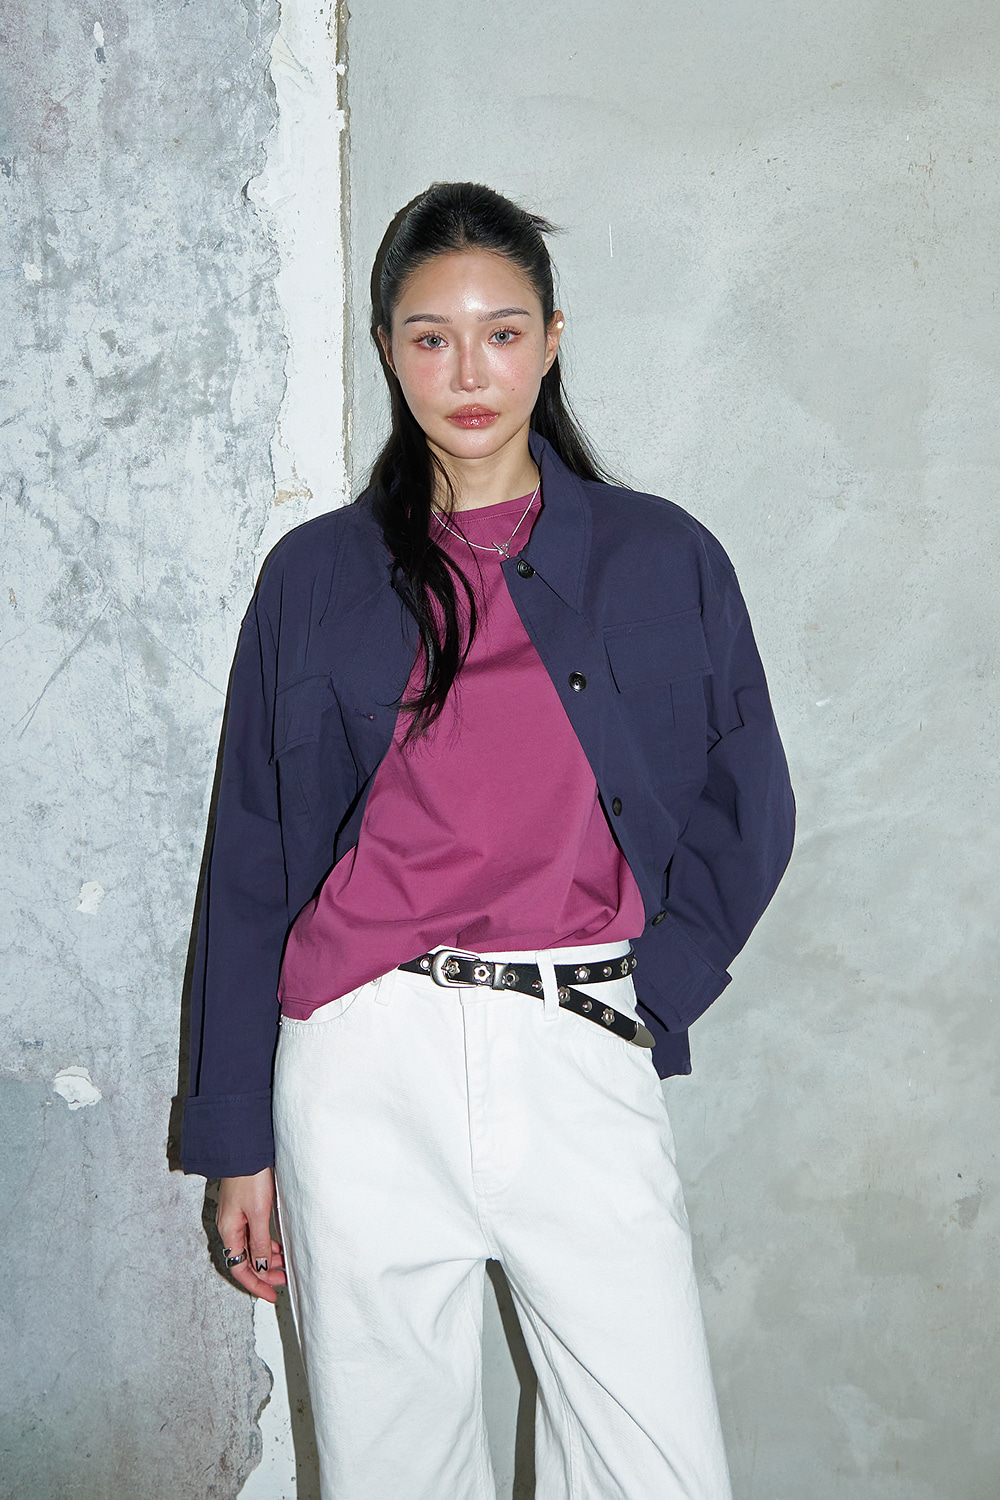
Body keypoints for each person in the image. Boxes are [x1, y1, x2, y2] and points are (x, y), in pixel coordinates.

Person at [181, 181, 795, 1500]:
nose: (470, 373)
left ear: (552, 341)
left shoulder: (662, 557)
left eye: (502, 333)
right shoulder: (314, 577)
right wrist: (237, 1133)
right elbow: (251, 862)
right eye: (431, 337)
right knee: (389, 1469)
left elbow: (751, 798)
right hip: (360, 1062)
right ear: (389, 349)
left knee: (654, 1472)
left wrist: (654, 990)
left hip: (579, 1038)